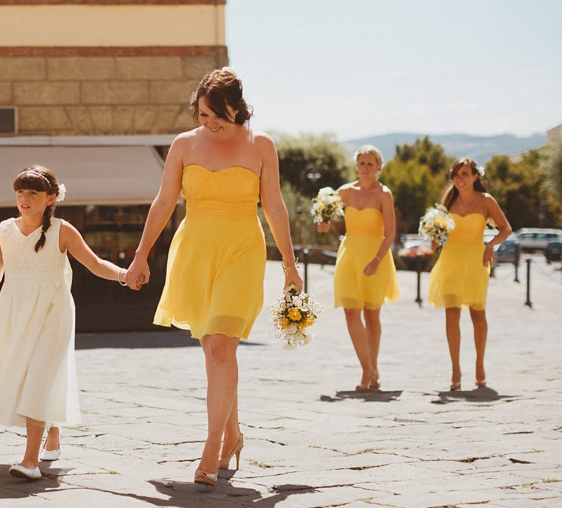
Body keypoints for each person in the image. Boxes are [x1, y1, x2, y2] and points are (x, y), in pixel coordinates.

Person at [124, 68, 303, 486]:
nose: (210, 123)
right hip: (194, 251)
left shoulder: (262, 145)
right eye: (203, 115)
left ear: (238, 108)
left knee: (222, 346)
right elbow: (165, 200)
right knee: (214, 351)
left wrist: (290, 266)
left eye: (218, 115)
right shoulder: (184, 145)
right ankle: (234, 436)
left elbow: (275, 206)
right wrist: (141, 255)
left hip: (242, 249)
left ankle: (211, 448)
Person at [0, 165, 129, 480]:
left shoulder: (62, 231)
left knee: (39, 376)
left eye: (32, 193)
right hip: (13, 310)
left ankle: (29, 461)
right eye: (20, 192)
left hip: (53, 310)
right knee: (24, 375)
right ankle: (52, 430)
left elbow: (93, 263)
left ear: (50, 198)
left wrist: (123, 275)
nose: (24, 199)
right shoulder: (3, 230)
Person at [317, 145, 399, 391]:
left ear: (378, 167)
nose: (365, 168)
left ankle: (374, 368)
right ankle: (367, 370)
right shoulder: (344, 192)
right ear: (356, 165)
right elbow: (324, 220)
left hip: (376, 257)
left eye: (370, 164)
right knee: (351, 312)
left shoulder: (384, 194)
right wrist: (322, 221)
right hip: (349, 256)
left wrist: (376, 260)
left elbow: (391, 233)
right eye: (361, 163)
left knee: (372, 316)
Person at [427, 157, 511, 391]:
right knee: (451, 314)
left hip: (476, 260)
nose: (459, 178)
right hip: (451, 260)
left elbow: (506, 228)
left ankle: (480, 365)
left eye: (464, 174)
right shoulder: (449, 200)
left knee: (477, 313)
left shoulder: (485, 200)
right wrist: (434, 239)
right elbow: (438, 228)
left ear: (475, 176)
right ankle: (455, 369)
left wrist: (490, 244)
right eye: (456, 174)